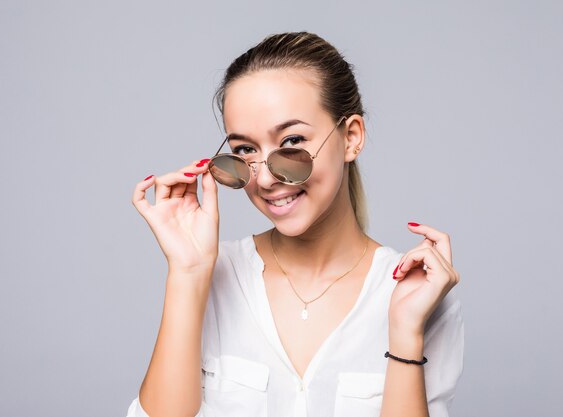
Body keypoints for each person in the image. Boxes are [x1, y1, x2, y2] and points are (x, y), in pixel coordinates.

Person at [127, 31, 464, 417]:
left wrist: (405, 334)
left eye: (291, 143)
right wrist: (187, 272)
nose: (266, 179)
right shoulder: (212, 274)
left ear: (351, 137)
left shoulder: (418, 291)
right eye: (244, 150)